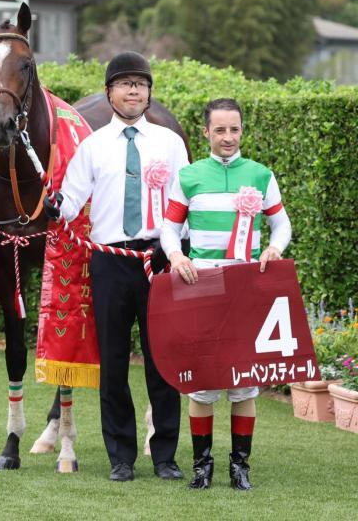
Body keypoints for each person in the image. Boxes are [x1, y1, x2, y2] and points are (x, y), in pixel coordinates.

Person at [45, 52, 188, 482]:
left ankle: (164, 455)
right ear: (109, 93)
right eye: (125, 84)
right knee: (112, 361)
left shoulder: (170, 144)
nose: (133, 91)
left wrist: (174, 245)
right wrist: (53, 207)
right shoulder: (93, 146)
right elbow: (70, 202)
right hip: (110, 262)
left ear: (148, 93)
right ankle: (121, 456)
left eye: (140, 85)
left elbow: (183, 204)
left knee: (162, 361)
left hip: (157, 259)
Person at [160, 98, 291, 491]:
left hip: (246, 288)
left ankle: (240, 467)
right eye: (220, 130)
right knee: (202, 381)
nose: (228, 137)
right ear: (206, 133)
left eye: (234, 129)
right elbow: (169, 228)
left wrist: (275, 248)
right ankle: (202, 467)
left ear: (242, 131)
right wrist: (176, 254)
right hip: (201, 287)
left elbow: (281, 226)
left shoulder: (262, 175)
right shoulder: (189, 176)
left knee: (243, 382)